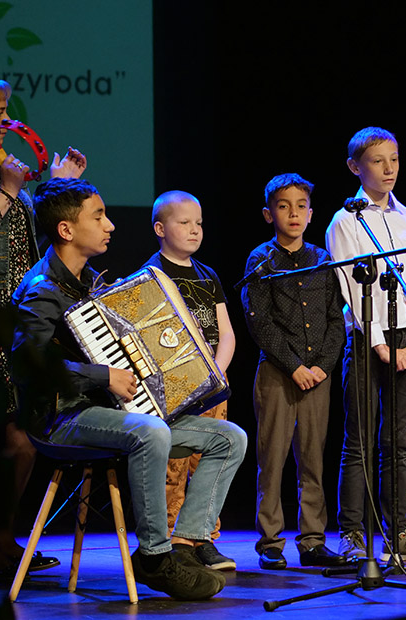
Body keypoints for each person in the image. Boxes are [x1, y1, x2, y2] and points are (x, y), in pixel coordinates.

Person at [11, 178, 246, 600]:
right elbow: (30, 366)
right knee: (150, 432)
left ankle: (184, 545)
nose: (111, 225)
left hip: (110, 411)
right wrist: (104, 377)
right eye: (99, 216)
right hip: (61, 417)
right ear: (66, 229)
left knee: (229, 438)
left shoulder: (88, 282)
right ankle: (154, 556)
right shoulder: (42, 290)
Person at [0, 67, 86, 578]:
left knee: (22, 431)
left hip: (15, 311)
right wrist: (6, 194)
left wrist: (58, 187)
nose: (7, 119)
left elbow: (22, 232)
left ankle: (2, 537)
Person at [325, 126, 406, 562]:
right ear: (355, 167)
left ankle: (399, 533)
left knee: (398, 444)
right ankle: (353, 534)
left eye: (394, 159)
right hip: (366, 337)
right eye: (378, 161)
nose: (389, 168)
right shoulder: (345, 220)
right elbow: (351, 288)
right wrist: (380, 345)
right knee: (359, 441)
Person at [241, 173, 346, 569]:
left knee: (313, 459)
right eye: (284, 207)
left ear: (311, 213)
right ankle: (270, 540)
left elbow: (336, 319)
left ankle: (313, 540)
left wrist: (321, 366)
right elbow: (260, 321)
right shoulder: (261, 260)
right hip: (277, 373)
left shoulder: (322, 259)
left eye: (301, 206)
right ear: (269, 214)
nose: (294, 214)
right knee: (272, 458)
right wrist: (295, 366)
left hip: (318, 375)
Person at [143, 191, 237, 571]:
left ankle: (203, 537)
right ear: (160, 229)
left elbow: (226, 332)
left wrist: (216, 372)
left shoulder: (207, 274)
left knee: (210, 463)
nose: (195, 230)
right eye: (184, 223)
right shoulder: (152, 276)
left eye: (198, 223)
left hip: (213, 386)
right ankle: (171, 540)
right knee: (174, 466)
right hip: (176, 388)